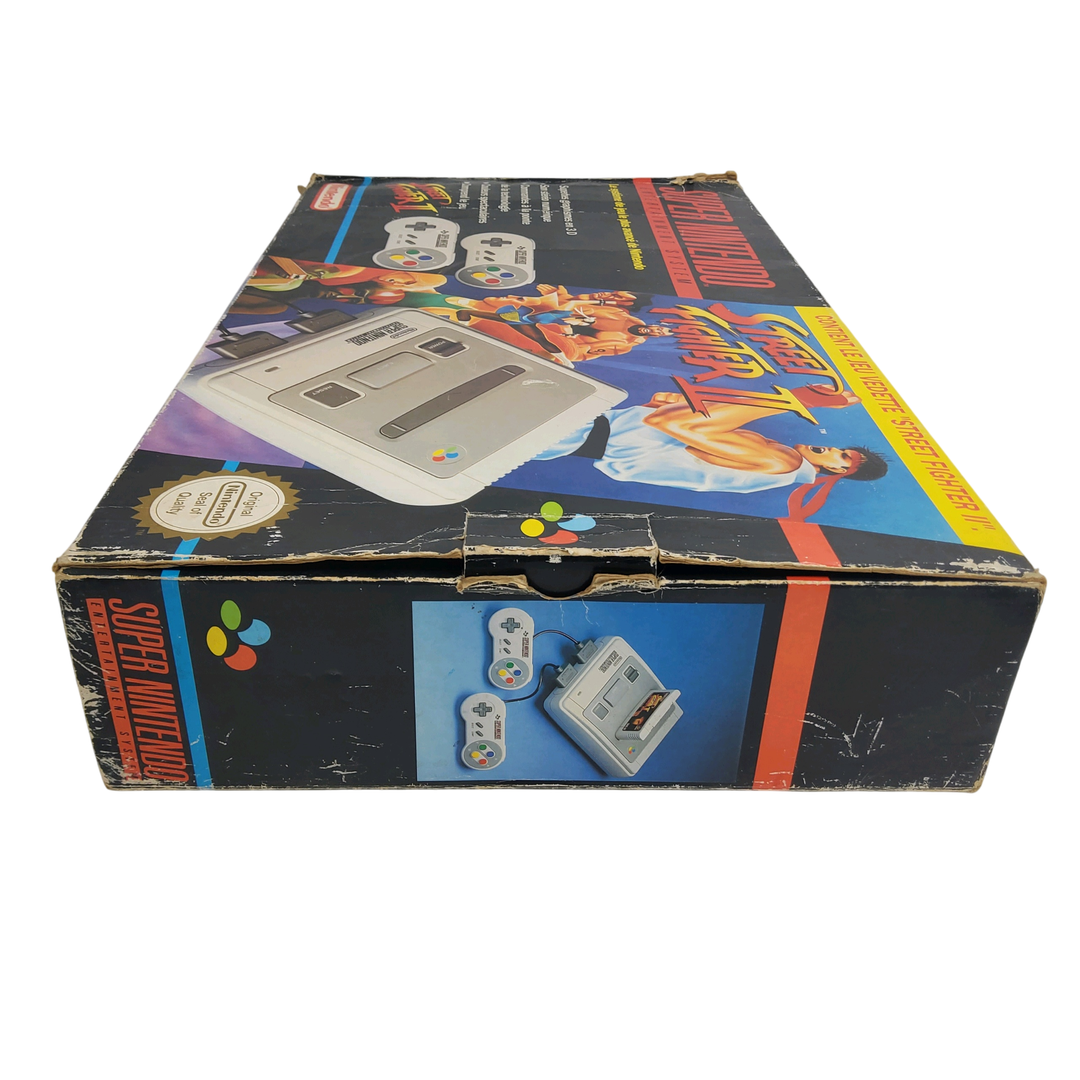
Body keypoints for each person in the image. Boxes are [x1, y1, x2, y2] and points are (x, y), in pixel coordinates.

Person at [534, 386, 887, 504]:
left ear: (837, 470)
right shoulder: (779, 463)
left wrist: (797, 398)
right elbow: (673, 429)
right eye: (841, 447)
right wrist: (661, 406)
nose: (832, 449)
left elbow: (670, 424)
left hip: (573, 433)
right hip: (578, 434)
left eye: (843, 456)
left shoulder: (782, 462)